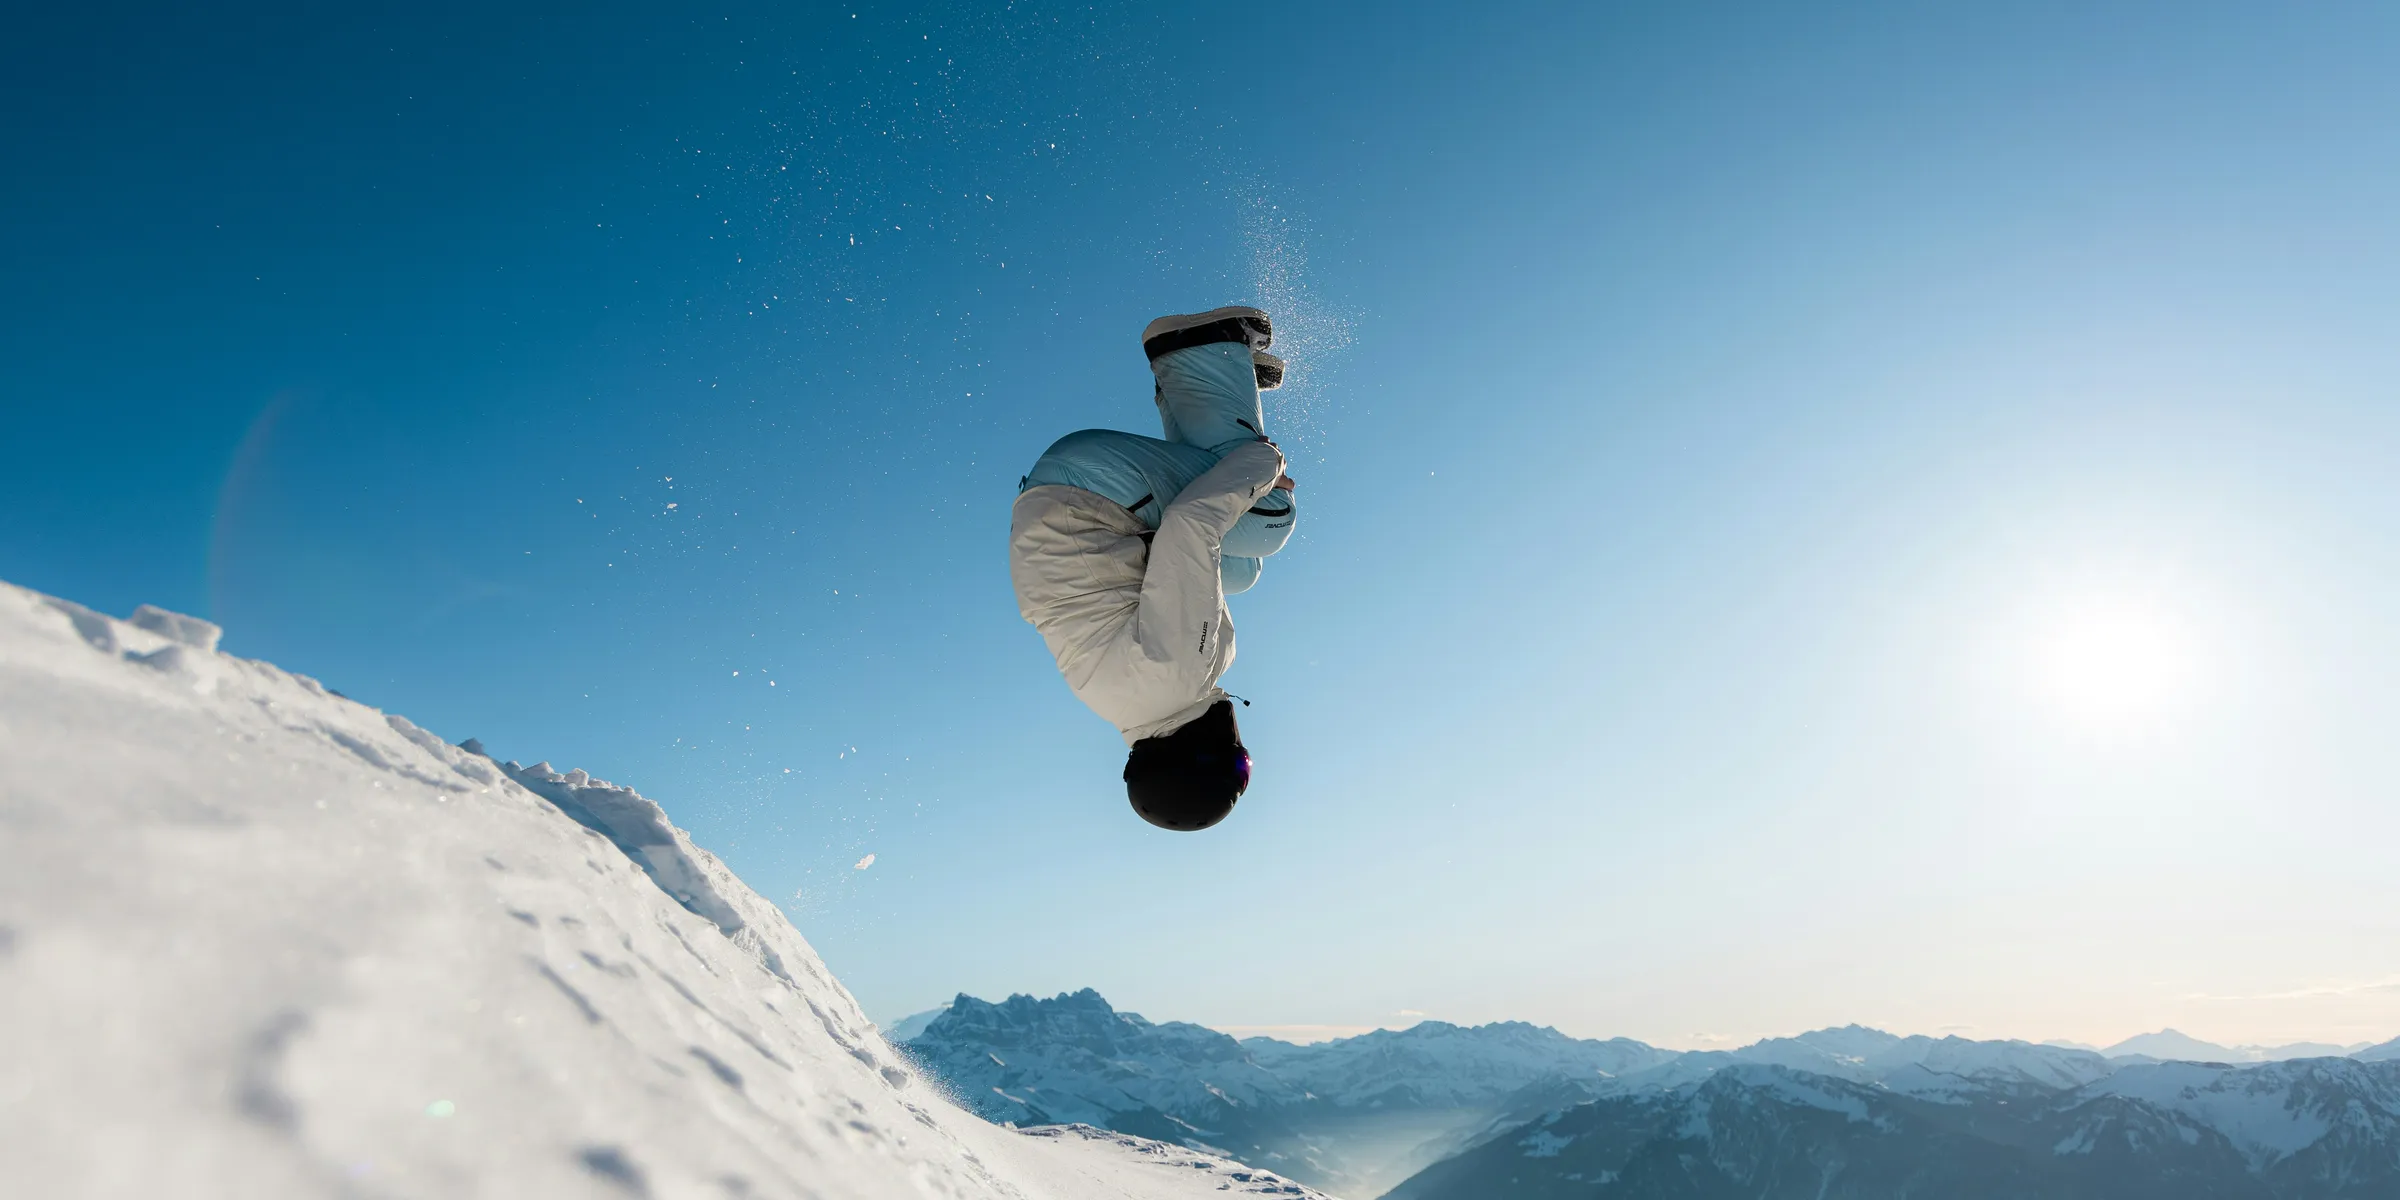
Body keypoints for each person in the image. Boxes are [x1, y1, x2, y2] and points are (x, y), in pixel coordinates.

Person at [1008, 306, 1300, 831]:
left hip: (1092, 488)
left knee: (1266, 521)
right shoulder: (1127, 705)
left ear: (1201, 757)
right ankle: (1205, 387)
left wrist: (1263, 468)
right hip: (1060, 504)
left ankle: (1201, 351)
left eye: (1237, 760)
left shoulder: (1176, 679)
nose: (1242, 747)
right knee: (1240, 571)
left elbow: (1190, 524)